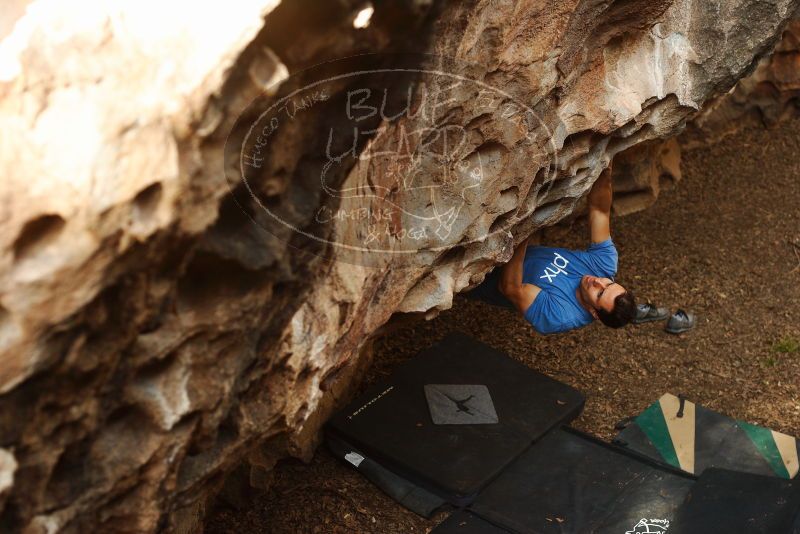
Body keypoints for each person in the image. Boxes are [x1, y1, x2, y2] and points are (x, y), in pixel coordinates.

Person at [467, 164, 636, 335]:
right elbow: (600, 211)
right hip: (506, 237)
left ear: (594, 313)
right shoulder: (604, 266)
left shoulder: (560, 315)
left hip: (477, 275)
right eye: (609, 283)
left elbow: (511, 288)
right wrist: (605, 169)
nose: (598, 282)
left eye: (599, 294)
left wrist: (524, 231)